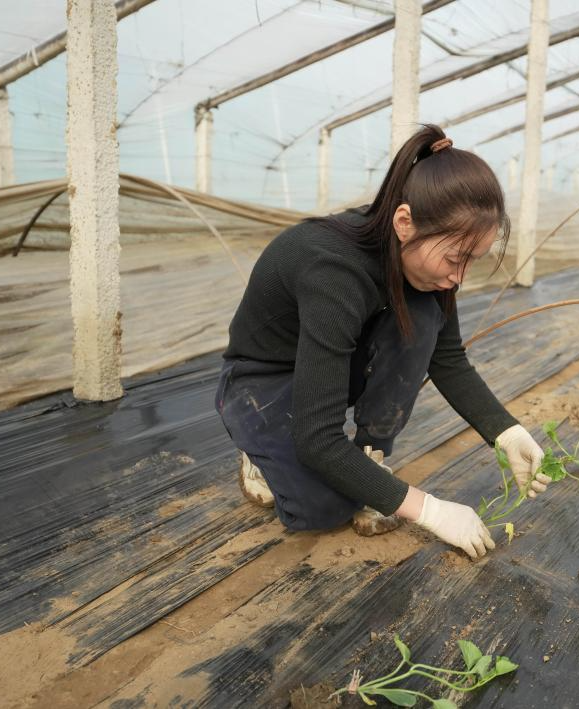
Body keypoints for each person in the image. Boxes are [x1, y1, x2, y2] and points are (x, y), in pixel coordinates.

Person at [215, 124, 550, 560]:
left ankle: (368, 456)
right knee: (323, 508)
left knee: (423, 314)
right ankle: (259, 453)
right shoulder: (334, 271)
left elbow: (446, 357)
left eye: (473, 261)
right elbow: (317, 438)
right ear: (405, 222)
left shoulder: (429, 267)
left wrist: (507, 433)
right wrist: (430, 510)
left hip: (331, 364)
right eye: (454, 258)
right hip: (262, 383)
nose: (460, 276)